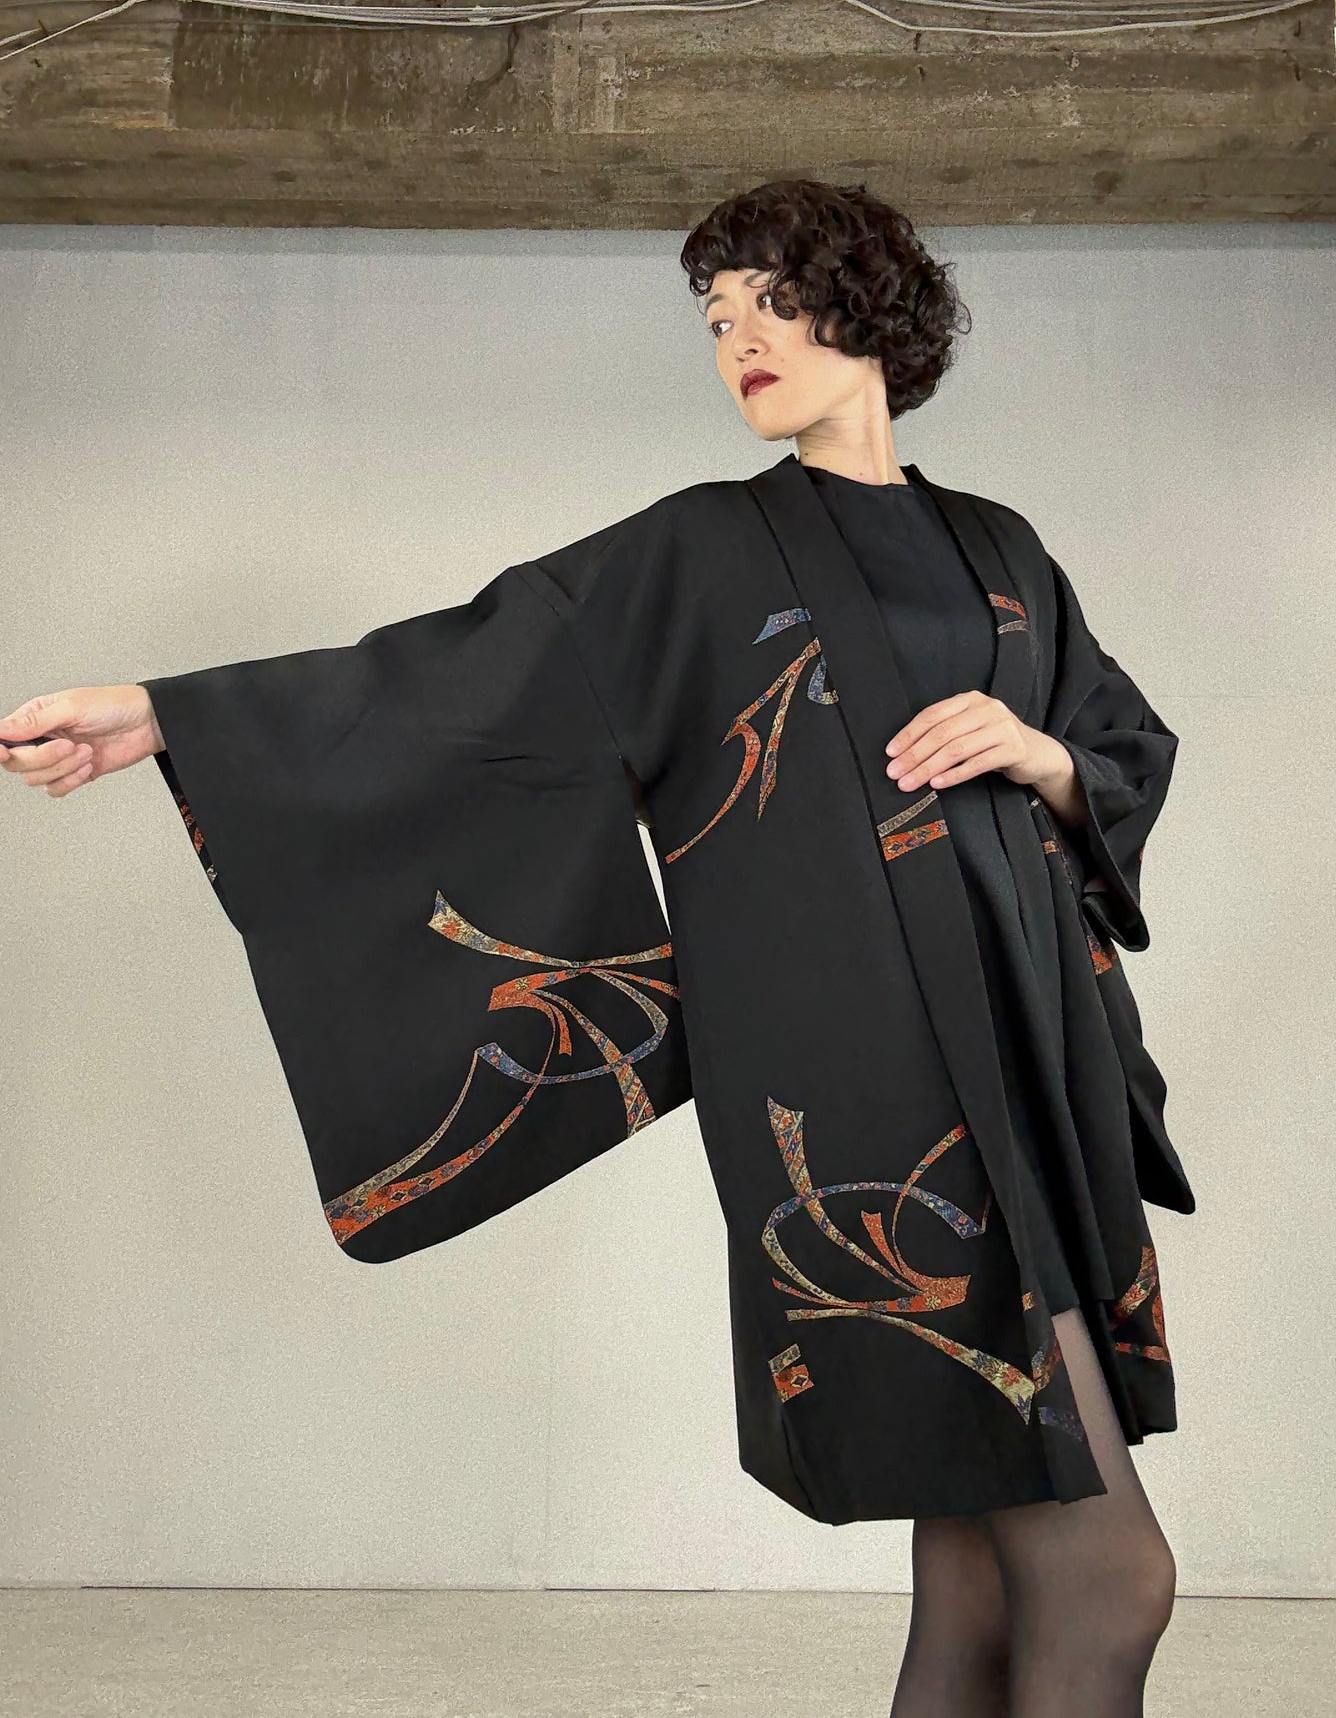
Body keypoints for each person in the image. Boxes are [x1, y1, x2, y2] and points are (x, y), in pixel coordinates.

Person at [2, 179, 1192, 1716]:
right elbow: (466, 679)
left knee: (976, 1576)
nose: (739, 339)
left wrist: (1039, 756)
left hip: (1033, 1059)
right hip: (862, 1083)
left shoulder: (1000, 547)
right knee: (1108, 1575)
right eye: (716, 318)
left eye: (773, 301)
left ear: (870, 310)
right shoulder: (702, 551)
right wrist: (167, 715)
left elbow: (1113, 742)